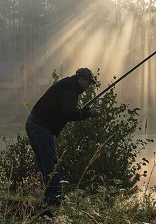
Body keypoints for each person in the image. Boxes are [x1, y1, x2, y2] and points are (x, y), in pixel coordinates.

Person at [25, 67, 101, 207]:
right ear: (81, 79)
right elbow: (69, 114)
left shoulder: (68, 85)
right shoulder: (71, 90)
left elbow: (68, 111)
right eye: (88, 82)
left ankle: (50, 197)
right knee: (51, 164)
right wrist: (89, 113)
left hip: (34, 123)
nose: (88, 86)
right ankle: (54, 199)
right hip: (41, 127)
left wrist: (85, 111)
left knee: (44, 164)